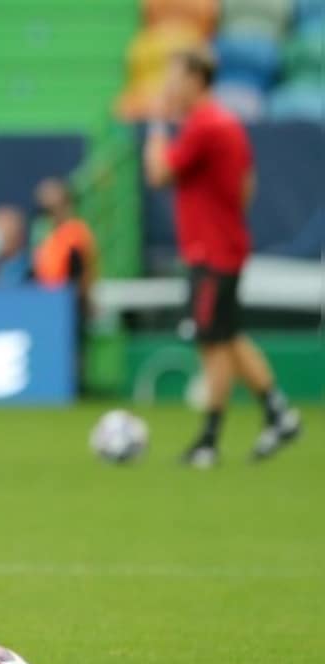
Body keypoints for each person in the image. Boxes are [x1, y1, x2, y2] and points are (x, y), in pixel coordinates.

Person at [144, 47, 301, 468]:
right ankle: (276, 413)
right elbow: (247, 185)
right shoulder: (226, 123)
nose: (169, 87)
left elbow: (158, 173)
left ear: (197, 80)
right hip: (225, 245)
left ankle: (209, 441)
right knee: (228, 336)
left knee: (211, 342)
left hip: (210, 252)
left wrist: (156, 125)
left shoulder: (203, 125)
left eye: (175, 77)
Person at [31, 178, 97, 393]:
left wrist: (83, 298)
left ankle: (73, 389)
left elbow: (81, 271)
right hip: (47, 301)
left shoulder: (75, 232)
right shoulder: (47, 233)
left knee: (70, 350)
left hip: (69, 301)